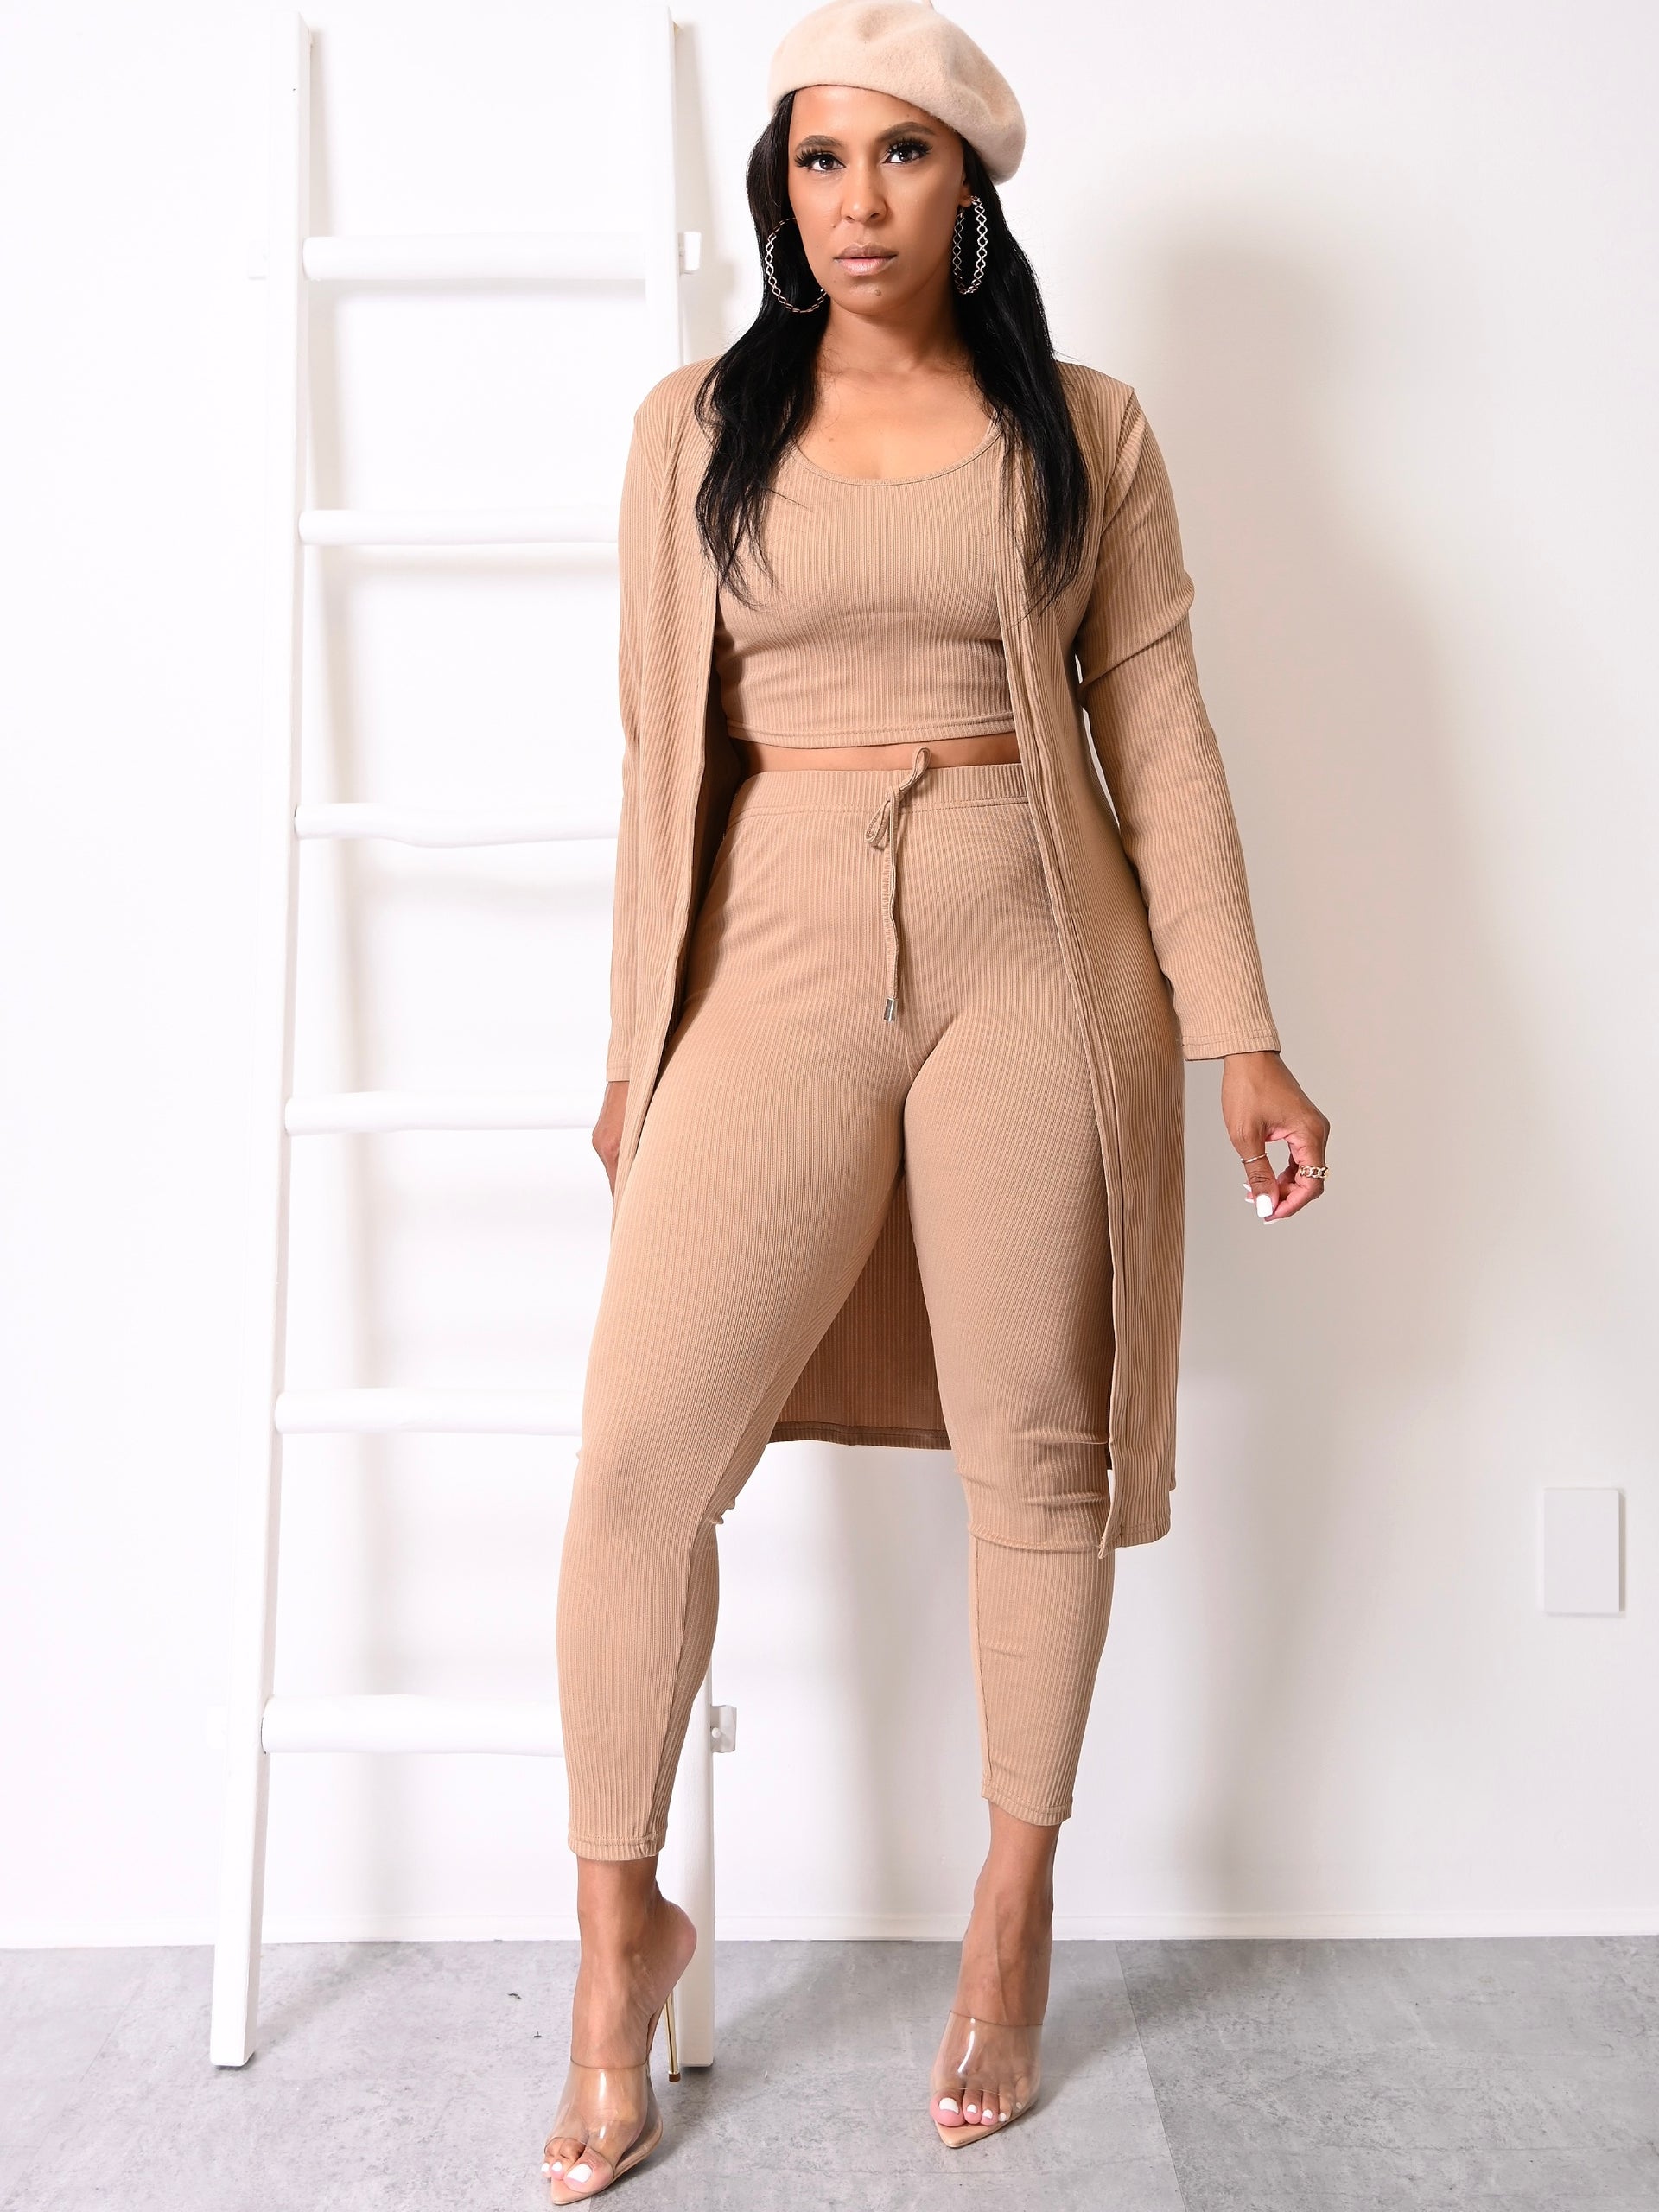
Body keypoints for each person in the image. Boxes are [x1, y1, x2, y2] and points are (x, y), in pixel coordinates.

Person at [542, 0, 1331, 2197]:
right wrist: (633, 1048)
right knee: (638, 1460)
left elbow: (1160, 738)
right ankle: (613, 1946)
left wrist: (1239, 1032)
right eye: (819, 160)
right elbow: (659, 766)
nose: (856, 202)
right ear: (778, 191)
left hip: (1035, 945)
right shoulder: (695, 430)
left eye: (901, 156)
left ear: (971, 186)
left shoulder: (1086, 426)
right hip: (775, 945)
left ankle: (1012, 1897)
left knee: (1034, 1442)